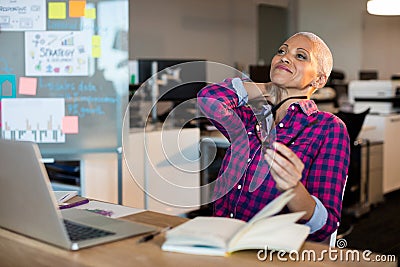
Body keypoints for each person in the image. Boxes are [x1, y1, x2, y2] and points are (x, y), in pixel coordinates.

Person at [197, 32, 350, 242]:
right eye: (282, 51)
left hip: (272, 253)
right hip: (221, 243)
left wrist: (293, 188)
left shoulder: (327, 128)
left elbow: (324, 225)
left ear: (320, 79)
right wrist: (268, 88)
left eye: (301, 56)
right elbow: (208, 98)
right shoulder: (251, 118)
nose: (285, 57)